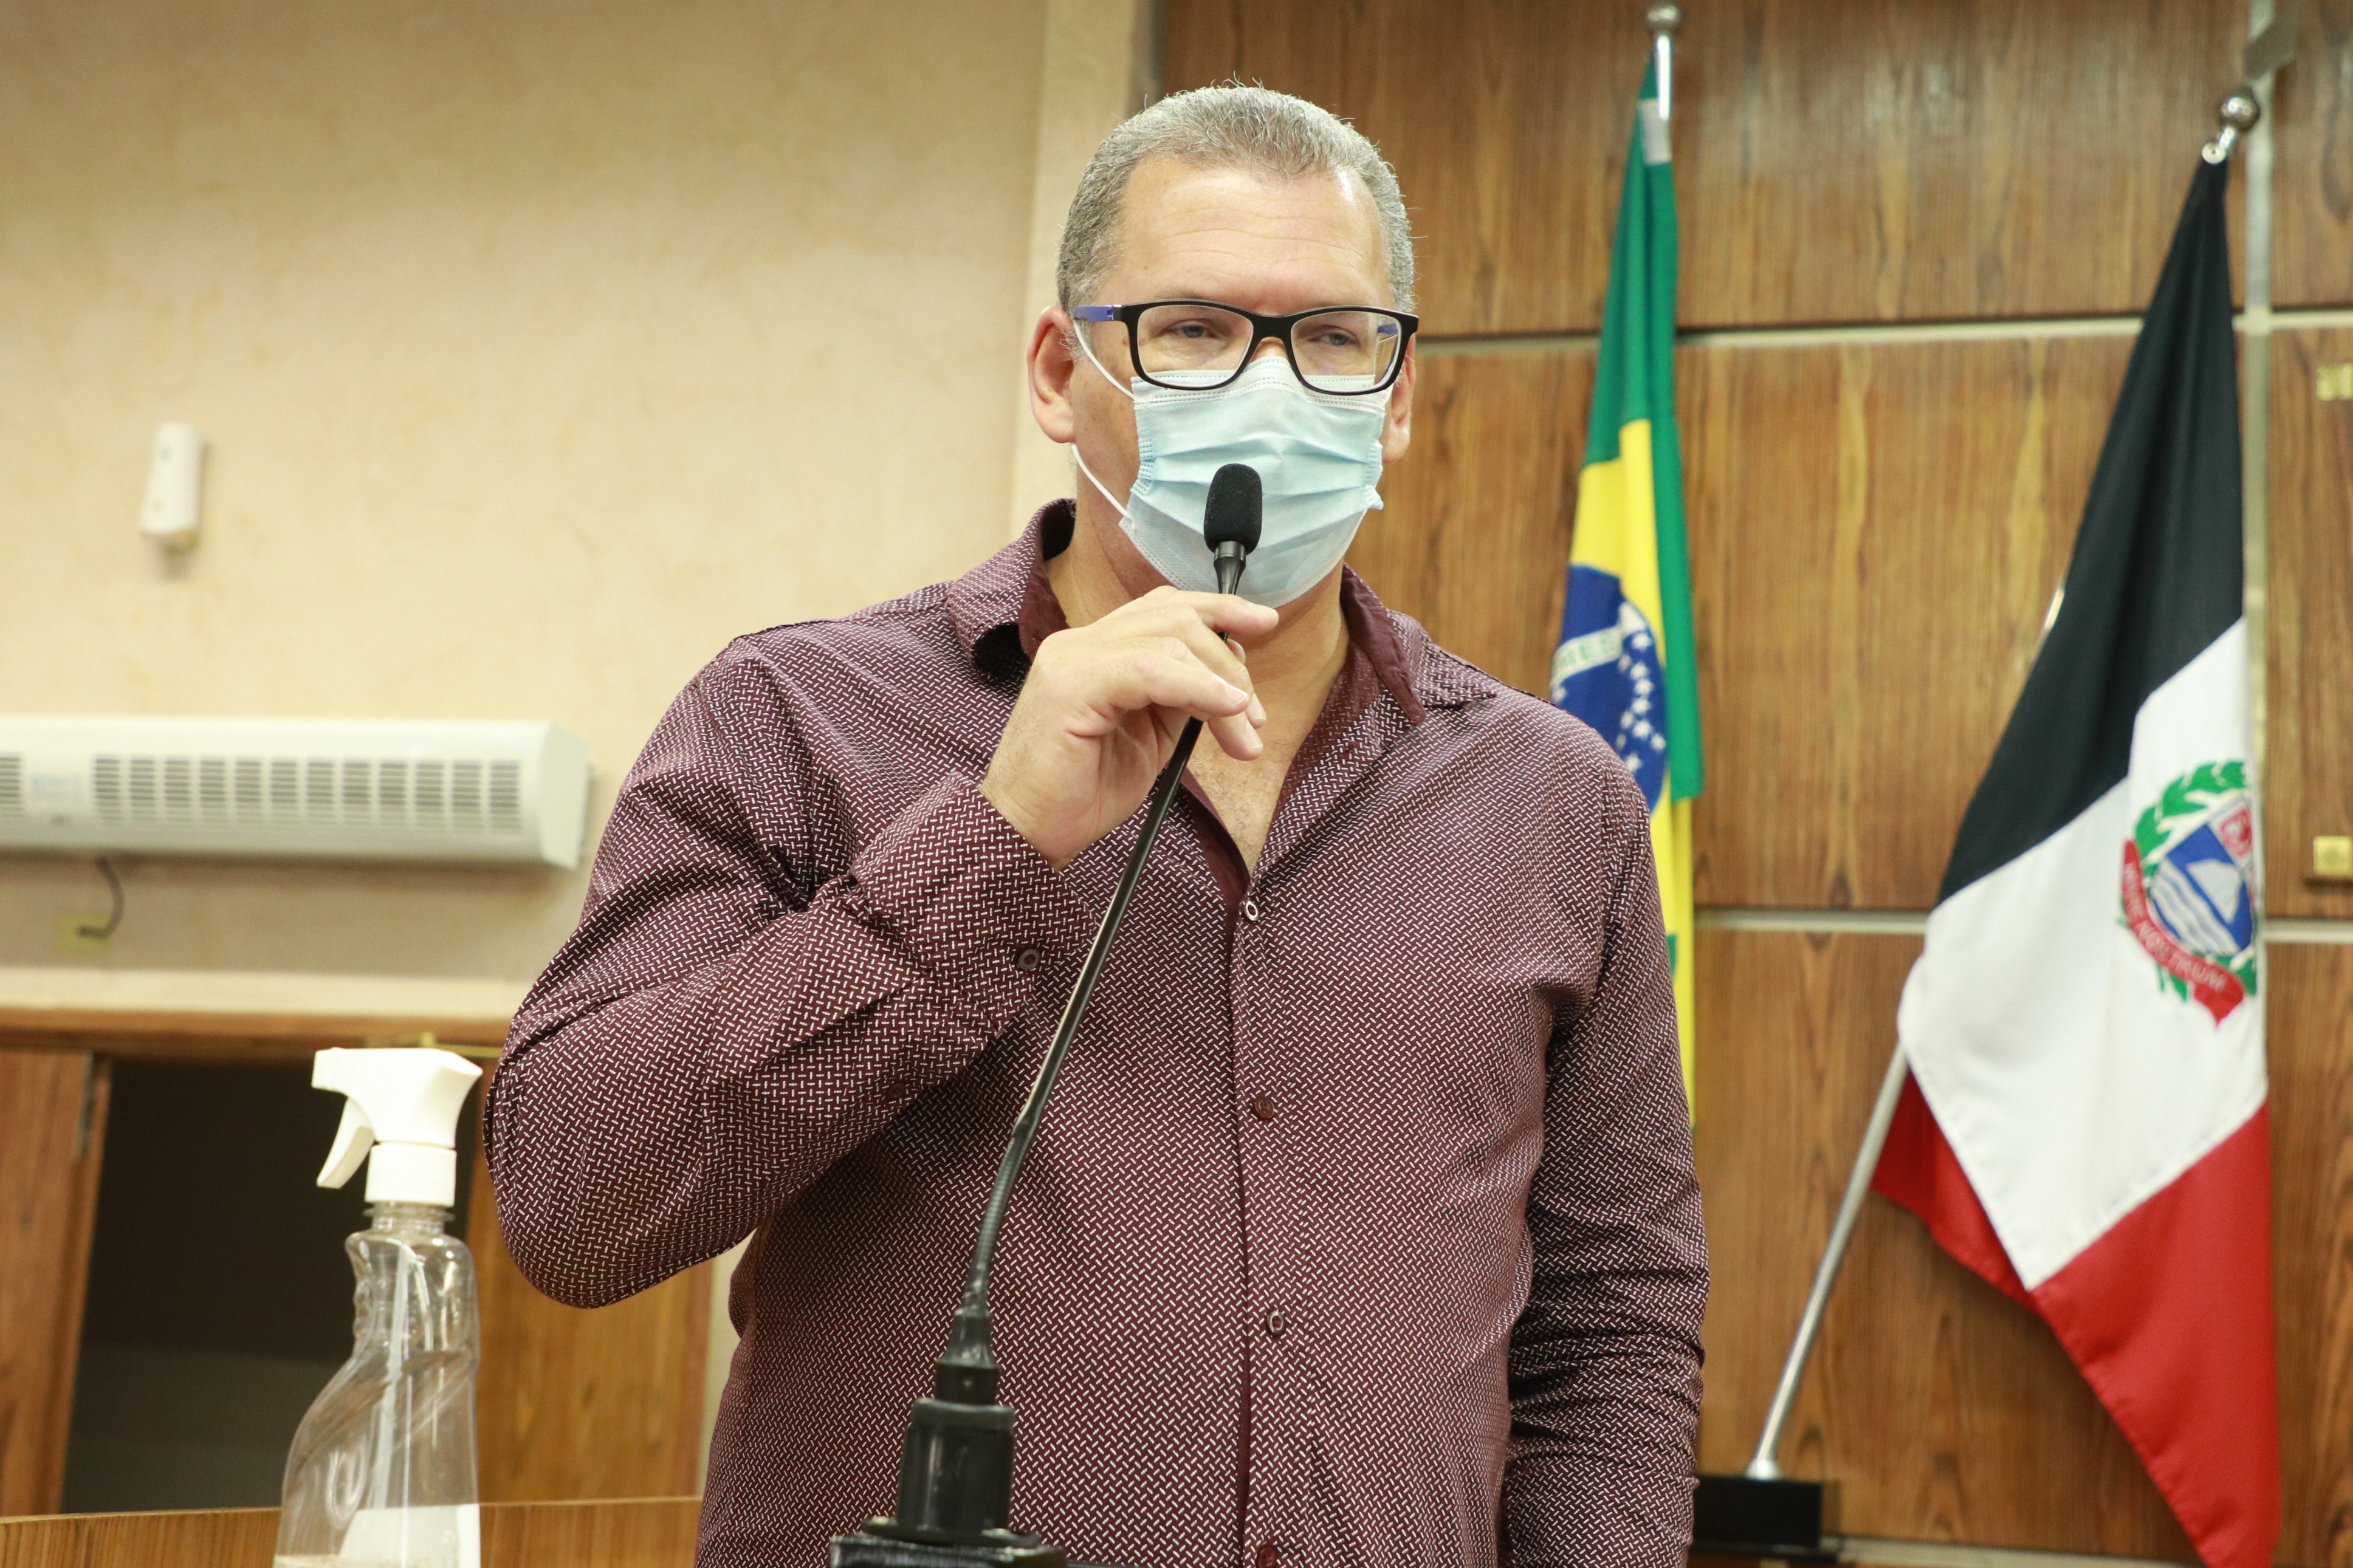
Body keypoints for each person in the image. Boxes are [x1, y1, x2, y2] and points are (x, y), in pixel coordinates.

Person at [487, 84, 1705, 1568]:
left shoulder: (1553, 799)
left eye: (1332, 339)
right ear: (1061, 372)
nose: (1270, 390)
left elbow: (1612, 1328)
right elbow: (571, 1199)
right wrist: (993, 842)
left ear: (1397, 396)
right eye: (1192, 330)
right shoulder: (794, 716)